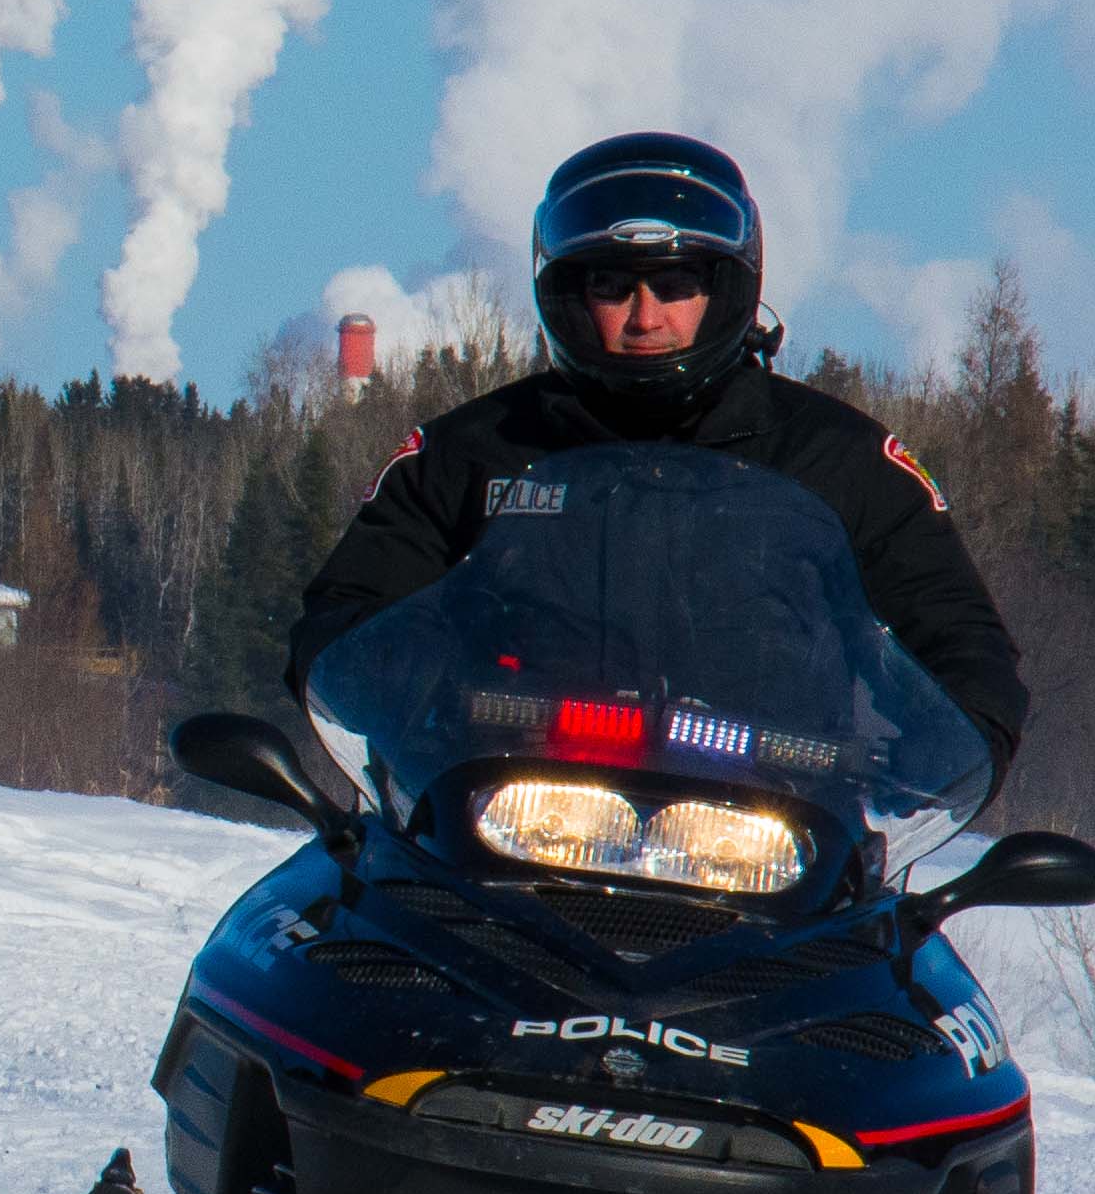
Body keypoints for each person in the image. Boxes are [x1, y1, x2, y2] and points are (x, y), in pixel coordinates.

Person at [286, 132, 1026, 766]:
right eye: (615, 288)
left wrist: (934, 749)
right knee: (316, 919)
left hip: (774, 847)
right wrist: (432, 694)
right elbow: (345, 622)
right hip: (504, 827)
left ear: (726, 290)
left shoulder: (843, 462)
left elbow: (963, 650)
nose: (647, 318)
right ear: (572, 296)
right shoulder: (473, 453)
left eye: (675, 285)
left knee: (912, 940)